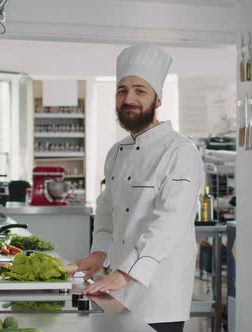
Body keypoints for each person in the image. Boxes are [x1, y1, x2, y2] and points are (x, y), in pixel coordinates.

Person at [74, 44, 204, 332]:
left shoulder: (180, 151)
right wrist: (99, 254)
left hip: (159, 294)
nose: (128, 98)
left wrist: (125, 273)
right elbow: (107, 208)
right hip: (116, 287)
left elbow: (169, 222)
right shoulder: (116, 152)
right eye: (122, 90)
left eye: (139, 90)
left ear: (157, 100)